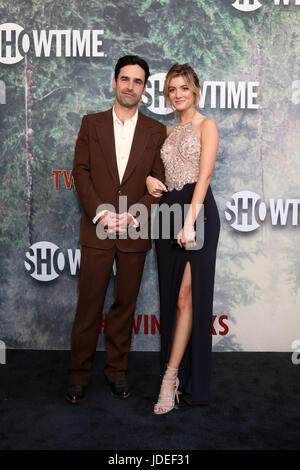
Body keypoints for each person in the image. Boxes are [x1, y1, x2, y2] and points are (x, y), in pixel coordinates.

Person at [66, 55, 166, 404]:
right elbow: (80, 173)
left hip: (135, 231)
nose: (130, 86)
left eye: (138, 81)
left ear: (144, 88)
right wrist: (101, 214)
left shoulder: (156, 131)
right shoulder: (91, 124)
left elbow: (158, 182)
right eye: (125, 79)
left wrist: (134, 215)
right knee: (89, 304)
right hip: (98, 227)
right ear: (114, 81)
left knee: (125, 305)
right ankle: (78, 374)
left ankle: (117, 372)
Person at [146, 63, 220, 414]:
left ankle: (170, 378)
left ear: (195, 90)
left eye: (184, 88)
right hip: (166, 215)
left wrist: (190, 222)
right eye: (172, 89)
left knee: (187, 298)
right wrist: (149, 181)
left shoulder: (207, 125)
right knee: (172, 298)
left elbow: (203, 177)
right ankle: (175, 376)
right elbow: (158, 172)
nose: (177, 94)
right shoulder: (167, 132)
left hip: (197, 213)